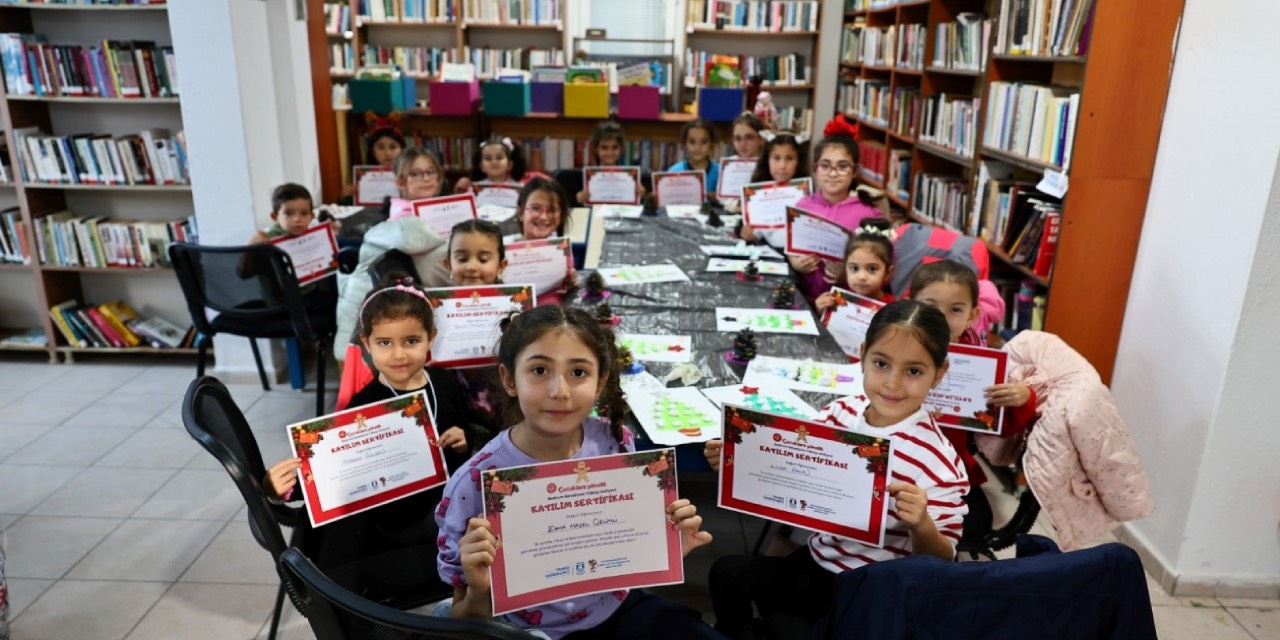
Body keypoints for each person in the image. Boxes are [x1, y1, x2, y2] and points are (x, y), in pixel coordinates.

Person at [435, 306, 720, 639]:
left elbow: (617, 555)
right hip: (523, 630)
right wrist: (480, 588)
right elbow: (461, 617)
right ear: (509, 380)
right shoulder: (473, 483)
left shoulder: (614, 440)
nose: (560, 391)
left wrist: (665, 546)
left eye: (579, 373)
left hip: (615, 607)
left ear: (600, 383)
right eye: (540, 370)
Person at [704, 301, 970, 637]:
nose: (893, 383)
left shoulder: (940, 463)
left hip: (869, 589)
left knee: (784, 627)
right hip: (817, 558)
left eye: (914, 371)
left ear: (939, 374)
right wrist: (737, 465)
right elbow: (792, 470)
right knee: (726, 573)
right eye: (881, 363)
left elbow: (944, 559)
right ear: (862, 356)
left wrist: (921, 524)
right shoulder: (842, 412)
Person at [262, 274, 488, 599]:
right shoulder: (362, 404)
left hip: (436, 504)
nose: (398, 354)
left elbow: (459, 439)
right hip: (388, 517)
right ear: (367, 344)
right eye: (385, 343)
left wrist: (460, 441)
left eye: (411, 341)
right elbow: (333, 469)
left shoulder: (445, 382)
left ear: (431, 339)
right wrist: (281, 489)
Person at [908, 260, 1039, 553]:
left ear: (972, 316)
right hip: (895, 463)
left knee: (975, 527)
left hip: (950, 472)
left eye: (955, 309)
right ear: (910, 304)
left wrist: (1021, 396)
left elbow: (999, 427)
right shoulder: (894, 345)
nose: (941, 317)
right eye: (930, 306)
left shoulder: (980, 366)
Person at [790, 135, 884, 304]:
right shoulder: (802, 207)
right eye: (825, 166)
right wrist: (795, 263)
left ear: (855, 171)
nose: (833, 173)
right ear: (815, 168)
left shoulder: (869, 213)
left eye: (842, 166)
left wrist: (849, 274)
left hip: (847, 303)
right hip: (806, 299)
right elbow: (791, 247)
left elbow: (883, 264)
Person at [508, 178, 578, 305]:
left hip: (550, 320)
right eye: (535, 208)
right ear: (520, 213)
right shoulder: (501, 251)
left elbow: (564, 295)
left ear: (561, 216)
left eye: (551, 210)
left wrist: (571, 284)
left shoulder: (562, 253)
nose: (544, 216)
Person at [738, 132, 810, 246]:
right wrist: (744, 232)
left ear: (799, 162)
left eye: (789, 159)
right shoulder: (756, 192)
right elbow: (743, 226)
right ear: (767, 159)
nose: (782, 166)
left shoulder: (807, 195)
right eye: (776, 158)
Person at [815, 218, 896, 311]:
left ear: (887, 273)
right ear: (845, 268)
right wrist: (820, 311)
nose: (861, 277)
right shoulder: (837, 298)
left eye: (872, 269)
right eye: (854, 268)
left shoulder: (892, 309)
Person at [576, 120, 647, 204]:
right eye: (604, 148)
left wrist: (641, 194)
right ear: (596, 148)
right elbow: (574, 202)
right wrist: (579, 198)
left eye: (615, 147)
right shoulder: (585, 177)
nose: (610, 153)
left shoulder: (630, 177)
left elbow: (639, 204)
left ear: (621, 149)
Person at [454, 135, 548, 194]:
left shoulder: (520, 188)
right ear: (481, 166)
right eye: (488, 158)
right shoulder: (474, 188)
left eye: (499, 158)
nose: (494, 162)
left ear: (509, 165)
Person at [387, 147, 450, 220]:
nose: (426, 178)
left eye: (431, 172)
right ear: (400, 183)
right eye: (415, 174)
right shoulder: (402, 219)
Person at [248, 183, 314, 244]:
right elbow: (245, 255)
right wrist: (253, 244)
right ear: (275, 217)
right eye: (288, 213)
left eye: (304, 213)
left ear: (312, 217)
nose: (297, 219)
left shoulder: (316, 235)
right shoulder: (268, 238)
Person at [667, 119, 720, 195]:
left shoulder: (721, 172)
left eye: (704, 142)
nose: (697, 148)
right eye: (692, 142)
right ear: (685, 144)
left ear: (711, 144)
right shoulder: (674, 172)